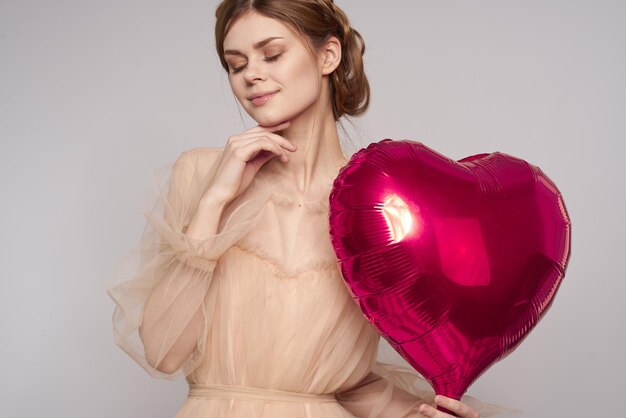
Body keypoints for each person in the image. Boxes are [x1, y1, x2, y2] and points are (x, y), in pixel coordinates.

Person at [107, 1, 505, 417]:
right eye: (236, 65)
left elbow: (346, 384)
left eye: (272, 54)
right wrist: (216, 201)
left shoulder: (374, 207)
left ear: (327, 55)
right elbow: (163, 353)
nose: (251, 75)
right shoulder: (201, 173)